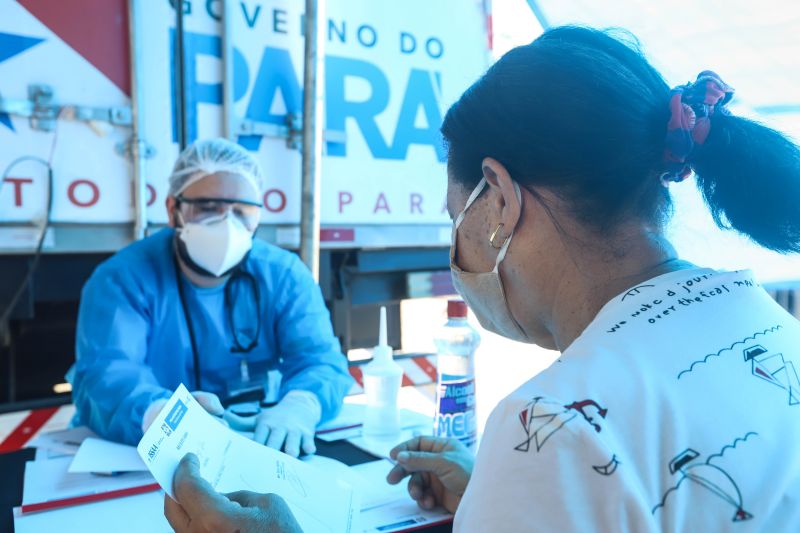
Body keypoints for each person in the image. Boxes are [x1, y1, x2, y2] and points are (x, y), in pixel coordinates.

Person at [162, 26, 800, 532]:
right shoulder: (771, 326)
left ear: (497, 197)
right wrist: (499, 498)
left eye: (454, 215)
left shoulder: (553, 426)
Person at [68, 138, 352, 457]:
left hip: (250, 443)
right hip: (146, 453)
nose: (227, 225)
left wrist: (301, 404)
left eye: (242, 212)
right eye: (207, 209)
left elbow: (321, 360)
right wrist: (162, 417)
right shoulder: (123, 279)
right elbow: (106, 374)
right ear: (173, 210)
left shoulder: (283, 274)